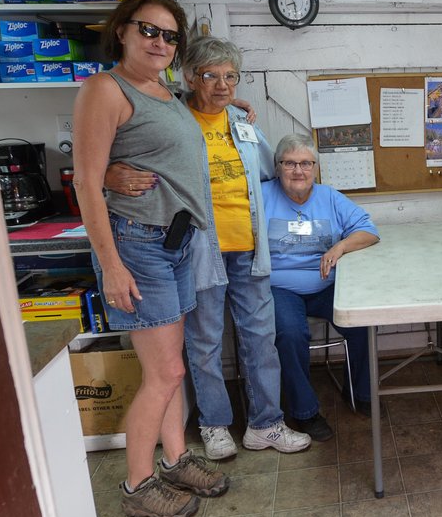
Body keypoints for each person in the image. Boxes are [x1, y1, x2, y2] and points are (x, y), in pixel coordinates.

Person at [104, 36, 311, 461]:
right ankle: (214, 425)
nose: (222, 86)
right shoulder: (175, 118)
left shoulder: (243, 124)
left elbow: (271, 176)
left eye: (230, 77)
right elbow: (118, 160)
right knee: (204, 343)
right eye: (210, 76)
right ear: (190, 77)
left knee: (261, 340)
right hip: (198, 251)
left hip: (251, 250)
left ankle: (265, 424)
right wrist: (110, 173)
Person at [72, 0, 228, 517]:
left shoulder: (162, 92)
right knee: (162, 373)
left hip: (175, 241)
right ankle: (138, 484)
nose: (160, 42)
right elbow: (87, 184)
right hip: (136, 245)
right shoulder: (106, 89)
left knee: (171, 369)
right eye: (149, 30)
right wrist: (110, 264)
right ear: (123, 31)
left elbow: (167, 148)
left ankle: (176, 458)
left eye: (169, 35)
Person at [261, 134, 380, 441]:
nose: (298, 171)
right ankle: (305, 413)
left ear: (314, 167)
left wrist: (340, 247)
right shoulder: (261, 196)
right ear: (277, 167)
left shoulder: (329, 197)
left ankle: (360, 392)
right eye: (289, 163)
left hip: (327, 284)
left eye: (305, 163)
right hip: (281, 287)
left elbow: (369, 232)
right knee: (289, 333)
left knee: (363, 320)